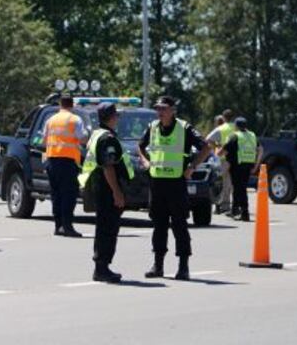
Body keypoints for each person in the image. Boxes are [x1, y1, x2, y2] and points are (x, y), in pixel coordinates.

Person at [138, 95, 212, 280]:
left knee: (179, 225)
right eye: (158, 108)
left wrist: (192, 167)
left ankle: (183, 266)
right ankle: (158, 265)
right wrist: (145, 161)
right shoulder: (152, 127)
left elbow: (206, 147)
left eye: (163, 108)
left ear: (172, 110)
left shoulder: (184, 128)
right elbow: (140, 146)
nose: (160, 112)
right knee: (159, 225)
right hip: (157, 183)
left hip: (176, 182)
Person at [79, 102, 132, 283]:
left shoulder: (97, 134)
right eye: (116, 115)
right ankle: (102, 268)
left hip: (100, 189)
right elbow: (108, 166)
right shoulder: (107, 138)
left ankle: (102, 267)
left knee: (104, 228)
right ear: (111, 117)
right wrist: (117, 192)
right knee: (107, 230)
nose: (118, 118)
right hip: (107, 191)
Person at [44, 94, 88, 237]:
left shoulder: (50, 120)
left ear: (60, 105)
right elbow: (82, 138)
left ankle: (58, 226)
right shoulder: (75, 119)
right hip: (68, 162)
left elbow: (44, 139)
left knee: (56, 195)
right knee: (68, 195)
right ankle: (67, 226)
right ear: (72, 105)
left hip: (51, 160)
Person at [222, 117, 262, 222]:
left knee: (240, 189)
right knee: (238, 187)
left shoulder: (235, 136)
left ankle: (245, 213)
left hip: (237, 166)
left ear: (236, 126)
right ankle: (235, 210)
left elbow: (223, 151)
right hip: (248, 165)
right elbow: (260, 149)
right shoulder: (252, 135)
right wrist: (256, 165)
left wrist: (218, 152)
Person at [206, 110, 236, 215]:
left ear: (224, 117)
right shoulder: (237, 128)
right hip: (237, 159)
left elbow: (208, 139)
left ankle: (222, 205)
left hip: (223, 158)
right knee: (231, 183)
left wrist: (217, 146)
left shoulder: (221, 129)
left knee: (223, 182)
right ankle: (229, 205)